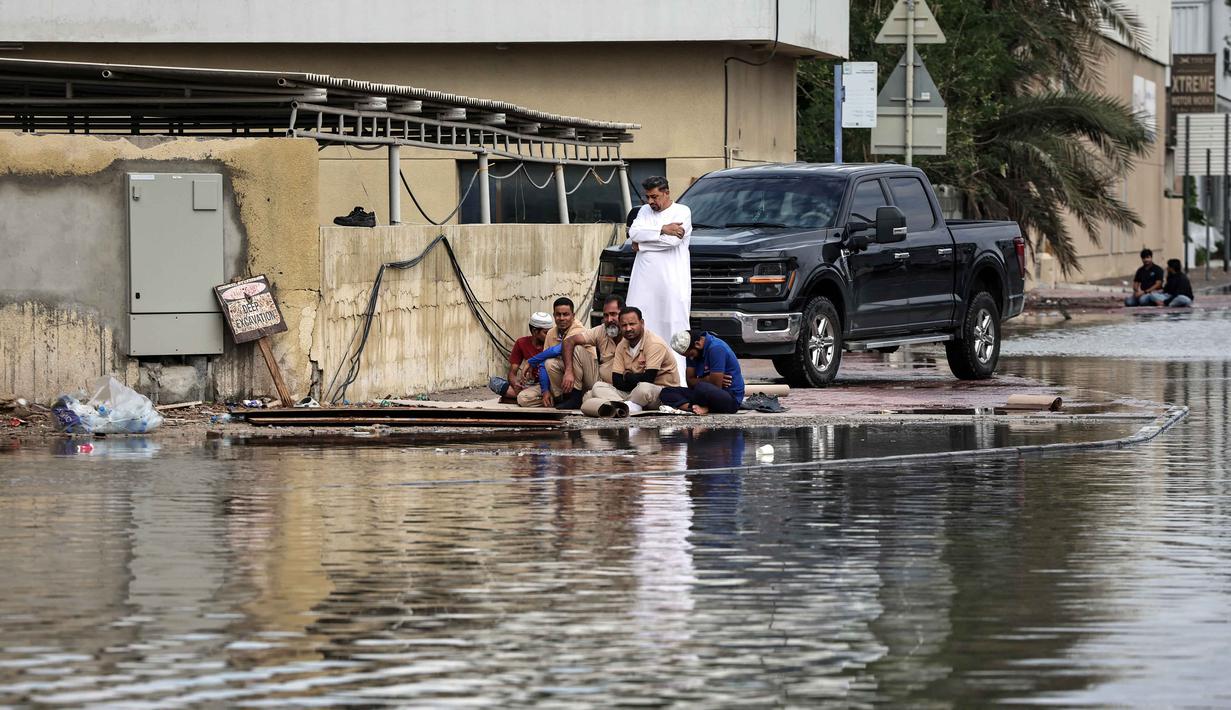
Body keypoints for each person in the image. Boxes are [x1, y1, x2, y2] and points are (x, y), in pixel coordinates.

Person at [626, 176, 692, 383]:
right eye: (647, 197)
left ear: (666, 192)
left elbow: (673, 242)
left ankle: (677, 381)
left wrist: (642, 245)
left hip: (672, 283)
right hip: (643, 283)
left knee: (673, 329)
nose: (650, 202)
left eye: (654, 196)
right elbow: (633, 233)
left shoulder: (683, 211)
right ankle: (639, 380)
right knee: (640, 328)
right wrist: (662, 229)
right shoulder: (644, 211)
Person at [586, 306, 679, 411]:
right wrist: (634, 378)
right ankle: (629, 405)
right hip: (633, 391)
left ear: (642, 323)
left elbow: (648, 378)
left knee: (643, 389)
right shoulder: (622, 345)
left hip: (660, 392)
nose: (628, 329)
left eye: (632, 324)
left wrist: (627, 375)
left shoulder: (654, 343)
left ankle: (622, 405)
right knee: (598, 387)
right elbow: (617, 380)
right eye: (624, 325)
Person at [517, 297, 591, 408]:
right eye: (558, 315)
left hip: (585, 379)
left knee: (574, 349)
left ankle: (575, 398)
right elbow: (543, 364)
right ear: (554, 315)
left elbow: (559, 349)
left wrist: (531, 361)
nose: (561, 318)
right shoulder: (551, 333)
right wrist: (545, 391)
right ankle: (558, 399)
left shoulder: (578, 329)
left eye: (566, 314)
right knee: (523, 398)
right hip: (562, 381)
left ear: (573, 315)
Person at [659, 330, 745, 415]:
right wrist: (708, 378)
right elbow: (689, 382)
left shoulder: (716, 348)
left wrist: (702, 380)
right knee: (666, 392)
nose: (691, 358)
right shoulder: (692, 351)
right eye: (688, 356)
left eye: (691, 355)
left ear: (697, 344)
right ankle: (693, 408)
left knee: (702, 387)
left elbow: (716, 385)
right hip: (702, 394)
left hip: (729, 397)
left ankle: (704, 407)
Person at [489, 311, 552, 399]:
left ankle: (521, 398)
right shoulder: (521, 343)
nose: (549, 335)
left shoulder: (553, 343)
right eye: (546, 333)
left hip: (547, 385)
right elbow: (512, 373)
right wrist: (516, 385)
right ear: (534, 331)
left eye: (551, 332)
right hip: (530, 386)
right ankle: (525, 397)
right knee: (494, 382)